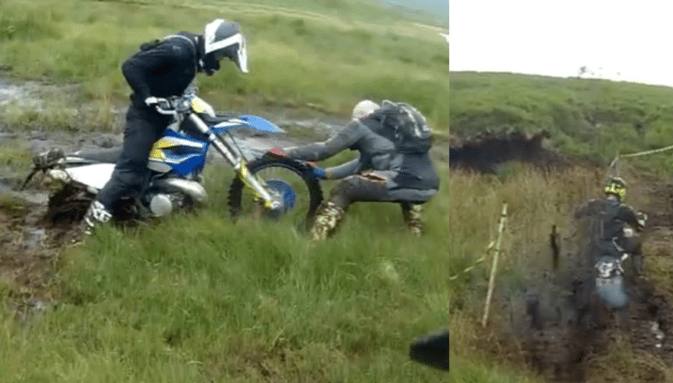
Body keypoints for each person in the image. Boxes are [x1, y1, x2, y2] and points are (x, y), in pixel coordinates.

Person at [78, 19, 248, 235]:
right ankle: (88, 226)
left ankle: (143, 206)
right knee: (130, 171)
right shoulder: (179, 50)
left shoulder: (193, 54)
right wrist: (148, 98)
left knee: (165, 162)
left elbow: (173, 80)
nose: (219, 62)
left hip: (165, 116)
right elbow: (131, 66)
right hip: (145, 117)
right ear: (214, 47)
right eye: (221, 56)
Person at [279, 100, 440, 240]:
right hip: (428, 186)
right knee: (406, 186)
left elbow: (323, 151)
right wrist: (325, 173)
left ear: (359, 117)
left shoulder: (361, 125)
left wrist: (286, 152)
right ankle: (415, 236)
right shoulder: (395, 129)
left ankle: (315, 240)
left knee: (346, 188)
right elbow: (361, 165)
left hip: (402, 181)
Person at [576, 176, 647, 272]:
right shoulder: (624, 209)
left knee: (581, 264)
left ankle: (578, 275)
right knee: (637, 244)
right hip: (616, 246)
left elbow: (577, 215)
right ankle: (638, 273)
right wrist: (641, 221)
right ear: (621, 191)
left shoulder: (593, 204)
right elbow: (639, 228)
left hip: (595, 245)